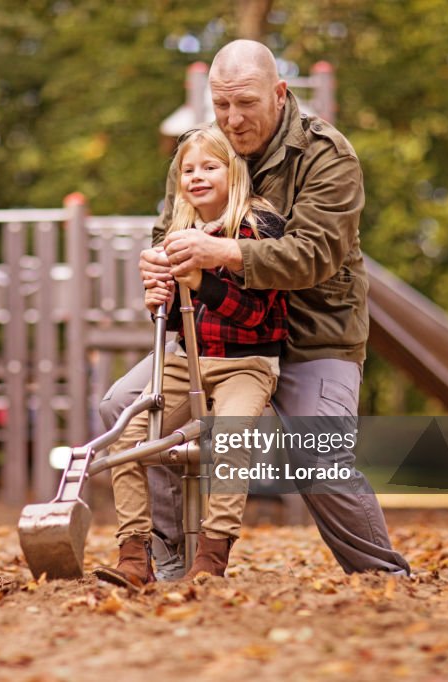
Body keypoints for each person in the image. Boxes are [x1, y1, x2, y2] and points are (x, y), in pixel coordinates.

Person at [98, 39, 411, 578]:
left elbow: (314, 254)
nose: (233, 119)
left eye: (246, 103)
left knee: (318, 456)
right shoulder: (203, 148)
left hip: (315, 336)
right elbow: (169, 225)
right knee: (122, 409)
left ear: (280, 93)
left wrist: (224, 251)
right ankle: (165, 559)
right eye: (221, 105)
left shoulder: (327, 155)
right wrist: (158, 260)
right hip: (223, 338)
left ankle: (385, 578)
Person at [95, 125, 288, 588]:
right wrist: (158, 301)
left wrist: (203, 281)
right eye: (188, 169)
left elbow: (256, 316)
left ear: (234, 171)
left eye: (209, 166)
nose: (197, 176)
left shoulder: (258, 226)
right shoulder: (181, 232)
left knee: (231, 437)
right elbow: (184, 322)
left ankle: (212, 554)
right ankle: (135, 552)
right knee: (132, 434)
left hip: (249, 361)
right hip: (192, 358)